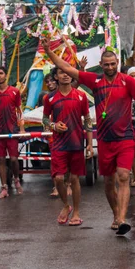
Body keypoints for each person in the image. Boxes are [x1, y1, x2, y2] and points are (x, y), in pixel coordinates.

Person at [43, 36, 135, 236]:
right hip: (105, 140)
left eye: (113, 64)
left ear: (118, 63)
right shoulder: (94, 80)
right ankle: (116, 214)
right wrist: (49, 52)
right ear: (100, 65)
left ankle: (123, 219)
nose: (109, 67)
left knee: (124, 176)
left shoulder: (128, 81)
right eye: (106, 64)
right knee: (109, 182)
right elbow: (66, 67)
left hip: (125, 138)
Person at [42, 67, 93, 226]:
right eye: (61, 73)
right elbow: (44, 120)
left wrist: (90, 144)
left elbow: (87, 120)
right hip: (58, 144)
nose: (66, 75)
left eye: (68, 72)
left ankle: (76, 212)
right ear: (55, 77)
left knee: (74, 178)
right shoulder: (49, 98)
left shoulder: (81, 96)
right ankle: (66, 205)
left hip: (77, 143)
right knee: (58, 178)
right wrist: (53, 125)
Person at [0, 66, 25, 199]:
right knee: (1, 159)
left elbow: (19, 111)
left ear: (5, 75)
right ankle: (4, 188)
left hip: (12, 130)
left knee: (14, 159)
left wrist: (21, 128)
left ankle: (16, 180)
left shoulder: (14, 91)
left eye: (1, 73)